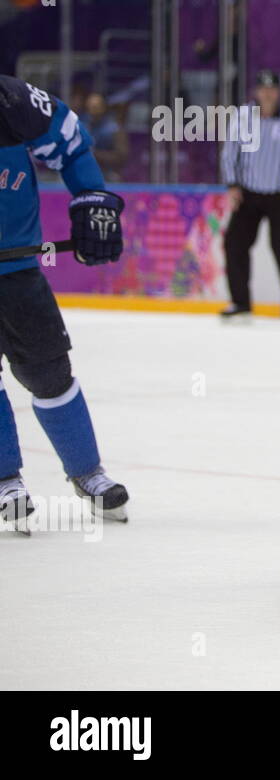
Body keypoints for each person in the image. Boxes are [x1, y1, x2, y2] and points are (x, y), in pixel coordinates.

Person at [0, 76, 129, 533]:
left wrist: (92, 197)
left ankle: (88, 472)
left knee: (50, 373)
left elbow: (71, 142)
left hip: (17, 275)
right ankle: (5, 480)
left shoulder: (11, 101)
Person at [219, 70, 280, 320]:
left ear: (279, 91)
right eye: (264, 88)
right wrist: (232, 185)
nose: (268, 93)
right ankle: (240, 303)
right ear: (257, 91)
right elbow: (230, 152)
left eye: (272, 89)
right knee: (234, 246)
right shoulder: (243, 117)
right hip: (248, 194)